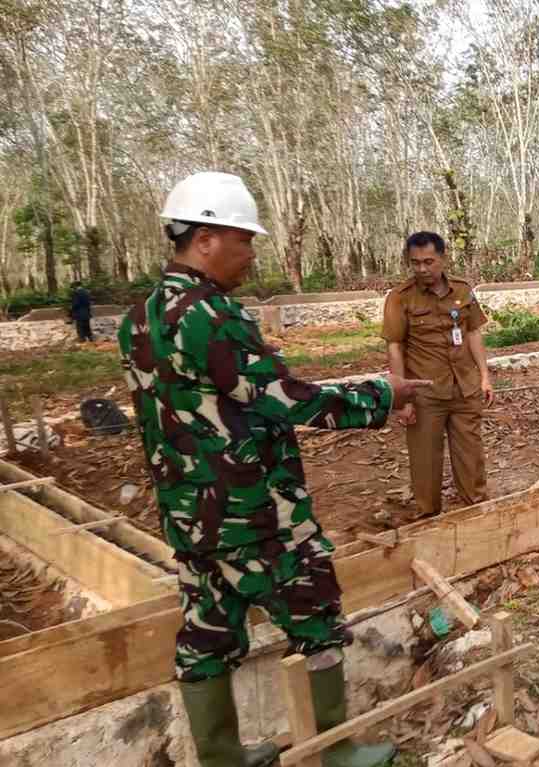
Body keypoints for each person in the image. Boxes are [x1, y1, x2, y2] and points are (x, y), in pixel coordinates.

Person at [119, 171, 427, 767]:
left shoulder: (141, 317)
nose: (251, 253)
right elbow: (282, 398)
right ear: (206, 237)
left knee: (207, 630)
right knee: (316, 611)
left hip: (188, 511)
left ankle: (223, 757)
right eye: (244, 239)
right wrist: (378, 396)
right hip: (252, 509)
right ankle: (336, 750)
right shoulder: (211, 315)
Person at [382, 231, 493, 521]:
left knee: (471, 456)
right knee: (425, 461)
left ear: (443, 258)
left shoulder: (462, 290)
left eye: (429, 262)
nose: (422, 269)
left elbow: (473, 332)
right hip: (425, 393)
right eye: (415, 263)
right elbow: (395, 347)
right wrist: (402, 397)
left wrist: (484, 376)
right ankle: (428, 516)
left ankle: (477, 511)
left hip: (465, 387)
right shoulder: (400, 298)